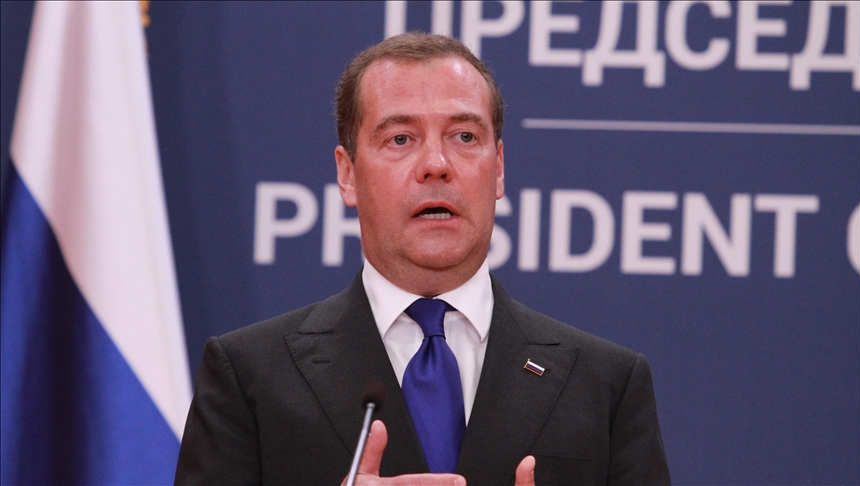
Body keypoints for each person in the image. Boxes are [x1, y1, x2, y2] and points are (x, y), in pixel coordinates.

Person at [175, 33, 671, 486]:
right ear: (347, 175)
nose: (436, 165)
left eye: (464, 137)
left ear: (498, 169)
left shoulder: (605, 384)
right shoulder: (250, 377)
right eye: (400, 139)